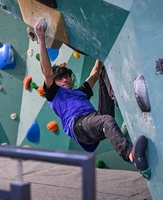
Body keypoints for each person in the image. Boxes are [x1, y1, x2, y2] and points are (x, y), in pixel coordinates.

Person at [34, 19, 150, 178]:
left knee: (102, 73)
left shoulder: (79, 92)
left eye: (67, 77)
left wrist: (102, 49)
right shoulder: (54, 94)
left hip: (93, 121)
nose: (65, 80)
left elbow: (95, 73)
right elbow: (47, 73)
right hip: (79, 126)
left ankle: (119, 97)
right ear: (55, 82)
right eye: (60, 78)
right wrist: (41, 39)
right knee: (106, 121)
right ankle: (131, 155)